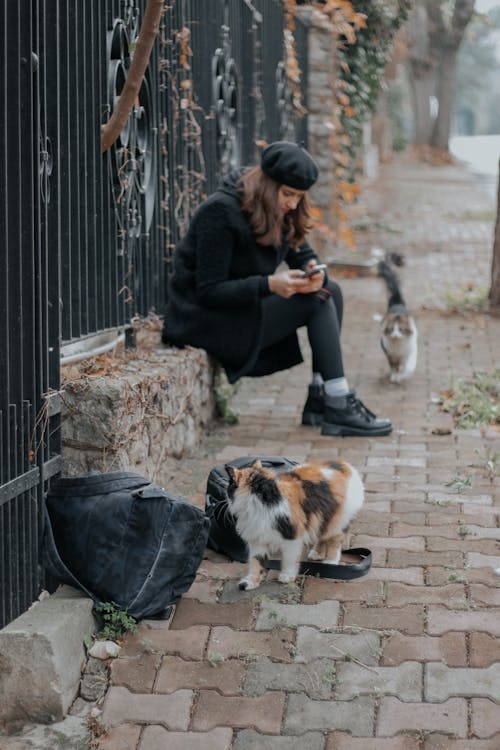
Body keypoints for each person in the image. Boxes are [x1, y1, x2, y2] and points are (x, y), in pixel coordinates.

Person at [162, 141, 392, 437]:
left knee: (330, 290)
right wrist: (269, 284)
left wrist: (313, 269)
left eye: (299, 197)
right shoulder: (219, 212)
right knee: (318, 301)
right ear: (268, 186)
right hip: (203, 319)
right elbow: (209, 292)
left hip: (237, 308)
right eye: (288, 194)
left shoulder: (277, 210)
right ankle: (337, 403)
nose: (293, 204)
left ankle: (321, 399)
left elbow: (302, 250)